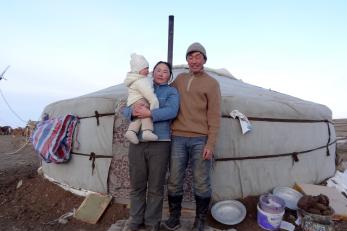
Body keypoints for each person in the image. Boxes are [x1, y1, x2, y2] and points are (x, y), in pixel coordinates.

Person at [163, 42, 221, 231]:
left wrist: (210, 144)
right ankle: (174, 218)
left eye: (198, 57)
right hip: (178, 137)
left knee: (201, 180)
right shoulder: (179, 79)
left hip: (200, 139)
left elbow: (214, 115)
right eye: (191, 57)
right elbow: (163, 92)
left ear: (204, 59)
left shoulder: (212, 84)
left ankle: (200, 221)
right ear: (187, 59)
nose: (194, 61)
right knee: (174, 179)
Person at [122, 61, 180, 231]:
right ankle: (135, 219)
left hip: (160, 143)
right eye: (158, 70)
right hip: (137, 142)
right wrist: (132, 112)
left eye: (165, 71)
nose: (161, 74)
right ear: (152, 72)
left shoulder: (171, 91)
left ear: (170, 75)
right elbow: (126, 109)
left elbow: (172, 111)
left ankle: (152, 222)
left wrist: (150, 113)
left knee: (155, 186)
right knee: (137, 184)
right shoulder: (140, 84)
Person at [124, 53, 160, 144]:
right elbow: (149, 94)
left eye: (148, 68)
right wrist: (153, 109)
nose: (148, 71)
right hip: (139, 100)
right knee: (145, 111)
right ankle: (147, 131)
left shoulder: (136, 79)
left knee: (139, 115)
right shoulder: (141, 81)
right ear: (138, 70)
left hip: (133, 101)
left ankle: (131, 131)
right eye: (146, 68)